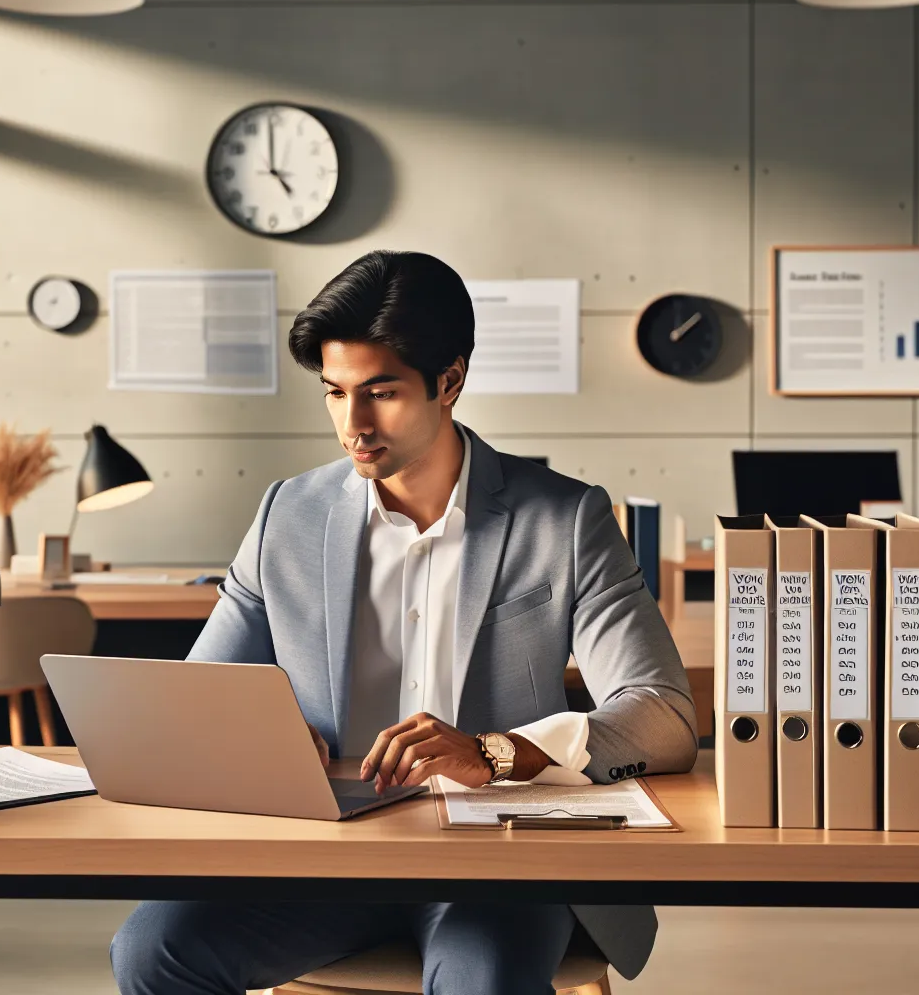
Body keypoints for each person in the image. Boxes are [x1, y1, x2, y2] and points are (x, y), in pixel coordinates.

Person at [110, 251, 698, 995]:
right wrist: (258, 736)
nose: (353, 424)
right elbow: (197, 700)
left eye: (381, 393)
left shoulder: (565, 518)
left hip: (497, 868)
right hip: (325, 860)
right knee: (152, 951)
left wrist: (496, 752)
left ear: (449, 381)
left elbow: (666, 717)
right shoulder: (287, 515)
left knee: (483, 982)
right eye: (334, 392)